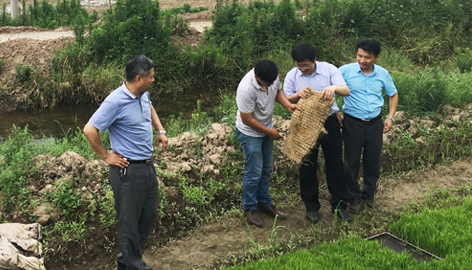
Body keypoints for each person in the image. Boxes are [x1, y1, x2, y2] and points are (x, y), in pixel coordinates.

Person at [83, 55, 168, 270]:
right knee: (129, 223)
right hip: (127, 171)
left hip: (147, 166)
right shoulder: (115, 101)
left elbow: (149, 108)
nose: (153, 80)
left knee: (146, 218)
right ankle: (137, 266)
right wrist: (105, 156)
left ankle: (126, 263)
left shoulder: (143, 93)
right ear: (139, 78)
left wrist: (160, 129)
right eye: (151, 77)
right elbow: (90, 129)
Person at [284, 43, 352, 223]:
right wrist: (296, 95)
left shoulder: (329, 69)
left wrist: (334, 88)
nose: (302, 69)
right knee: (307, 165)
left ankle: (339, 206)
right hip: (305, 123)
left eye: (306, 65)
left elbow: (346, 90)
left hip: (329, 121)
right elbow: (284, 99)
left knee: (335, 165)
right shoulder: (292, 75)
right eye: (299, 65)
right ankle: (311, 207)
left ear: (315, 60)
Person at [236, 59, 300, 227]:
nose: (270, 85)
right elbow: (247, 119)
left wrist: (288, 105)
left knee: (266, 168)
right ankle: (250, 208)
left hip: (266, 129)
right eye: (266, 83)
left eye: (272, 82)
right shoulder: (246, 88)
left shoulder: (271, 76)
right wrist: (269, 132)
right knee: (254, 171)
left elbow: (277, 90)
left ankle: (264, 203)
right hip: (250, 133)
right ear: (257, 77)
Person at [339, 39, 398, 214]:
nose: (362, 60)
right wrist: (335, 112)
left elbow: (393, 94)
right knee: (351, 163)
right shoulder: (345, 71)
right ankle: (354, 198)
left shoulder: (382, 74)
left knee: (373, 162)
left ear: (376, 57)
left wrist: (390, 117)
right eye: (359, 55)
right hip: (352, 123)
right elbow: (330, 89)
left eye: (367, 57)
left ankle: (368, 196)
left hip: (375, 124)